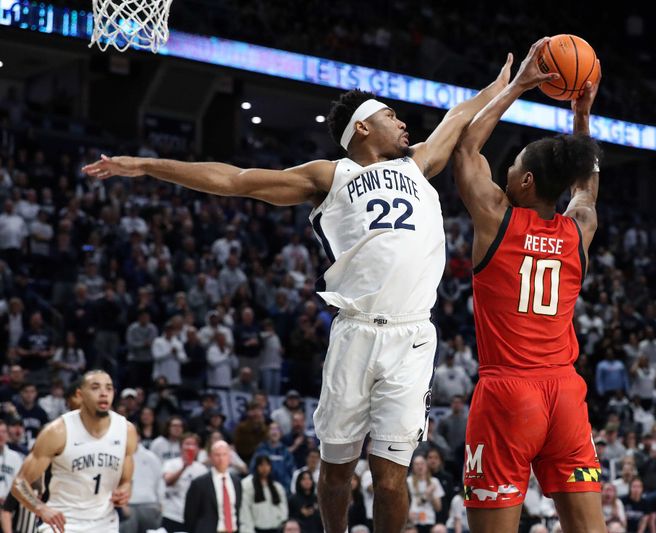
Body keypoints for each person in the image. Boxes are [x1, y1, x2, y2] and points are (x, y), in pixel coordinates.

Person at [83, 50, 515, 533]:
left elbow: (457, 118)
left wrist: (503, 85)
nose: (402, 124)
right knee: (335, 472)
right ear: (363, 128)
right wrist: (146, 165)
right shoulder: (329, 175)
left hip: (412, 336)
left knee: (391, 476)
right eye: (389, 116)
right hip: (353, 332)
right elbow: (235, 179)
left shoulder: (419, 164)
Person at [452, 37, 603, 533]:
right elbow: (585, 187)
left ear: (525, 183)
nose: (505, 169)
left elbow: (467, 146)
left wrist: (518, 84)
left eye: (512, 165)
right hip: (565, 394)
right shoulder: (578, 229)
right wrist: (582, 114)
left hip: (508, 395)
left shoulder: (496, 220)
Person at [11, 369, 137, 532]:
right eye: (95, 387)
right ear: (79, 394)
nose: (104, 393)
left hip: (105, 523)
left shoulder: (126, 430)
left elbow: (126, 481)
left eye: (109, 388)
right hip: (62, 523)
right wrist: (41, 508)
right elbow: (19, 483)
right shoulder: (57, 431)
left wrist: (125, 490)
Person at [184, 440, 243, 533]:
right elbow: (190, 515)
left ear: (230, 457)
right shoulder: (199, 483)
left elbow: (237, 510)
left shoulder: (237, 482)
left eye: (224, 454)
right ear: (211, 457)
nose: (221, 458)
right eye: (217, 455)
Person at [160, 432, 208, 532]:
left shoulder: (202, 469)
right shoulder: (171, 464)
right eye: (187, 443)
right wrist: (184, 467)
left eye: (193, 444)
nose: (190, 447)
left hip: (193, 517)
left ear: (197, 448)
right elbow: (168, 481)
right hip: (172, 515)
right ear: (181, 446)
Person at [240, 455, 289, 533]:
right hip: (257, 528)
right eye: (261, 465)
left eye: (267, 465)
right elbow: (245, 510)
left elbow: (283, 506)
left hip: (276, 528)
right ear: (256, 467)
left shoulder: (277, 487)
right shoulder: (247, 485)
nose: (264, 468)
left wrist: (283, 521)